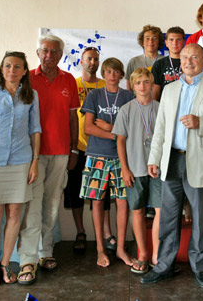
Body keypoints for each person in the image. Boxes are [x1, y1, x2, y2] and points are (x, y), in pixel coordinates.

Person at [141, 43, 203, 288]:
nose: (188, 60)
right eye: (185, 57)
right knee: (168, 218)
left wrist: (201, 123)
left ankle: (200, 268)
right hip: (171, 160)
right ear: (180, 60)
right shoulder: (170, 89)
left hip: (201, 162)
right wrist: (154, 158)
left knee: (200, 219)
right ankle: (163, 266)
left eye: (194, 56)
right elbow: (160, 128)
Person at [0, 51, 41, 287]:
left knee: (14, 216)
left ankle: (4, 263)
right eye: (8, 66)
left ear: (24, 71)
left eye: (17, 67)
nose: (12, 70)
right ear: (2, 69)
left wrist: (34, 161)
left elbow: (35, 130)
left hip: (21, 161)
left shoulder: (31, 95)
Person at [17, 35, 80, 284]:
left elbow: (73, 118)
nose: (49, 56)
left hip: (61, 151)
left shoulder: (69, 81)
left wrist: (74, 149)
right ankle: (27, 259)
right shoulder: (27, 78)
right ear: (37, 52)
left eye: (54, 52)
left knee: (52, 204)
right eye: (45, 51)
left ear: (61, 55)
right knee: (33, 203)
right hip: (32, 153)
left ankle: (46, 252)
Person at [80, 58, 135, 268]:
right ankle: (100, 248)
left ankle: (120, 248)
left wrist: (111, 128)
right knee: (97, 201)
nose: (112, 75)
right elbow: (89, 128)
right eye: (108, 71)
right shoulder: (94, 95)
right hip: (97, 155)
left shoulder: (129, 96)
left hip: (122, 158)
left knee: (123, 202)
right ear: (104, 74)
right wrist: (115, 135)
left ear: (122, 75)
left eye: (116, 71)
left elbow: (132, 129)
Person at [64, 47, 115, 255]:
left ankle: (106, 233)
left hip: (101, 147)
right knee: (75, 191)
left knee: (102, 192)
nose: (92, 62)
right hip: (77, 147)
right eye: (88, 59)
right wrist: (72, 147)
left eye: (95, 59)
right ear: (81, 61)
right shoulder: (73, 84)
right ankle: (80, 232)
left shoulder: (106, 85)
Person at [112, 68, 161, 274]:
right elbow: (120, 140)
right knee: (138, 210)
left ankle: (157, 255)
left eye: (146, 82)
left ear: (152, 84)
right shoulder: (126, 109)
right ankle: (142, 254)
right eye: (138, 82)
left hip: (158, 169)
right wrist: (125, 168)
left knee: (161, 210)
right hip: (135, 167)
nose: (143, 86)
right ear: (132, 86)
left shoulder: (161, 108)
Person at [151, 26, 185, 101]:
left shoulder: (189, 63)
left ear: (183, 42)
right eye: (171, 40)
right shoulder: (159, 64)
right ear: (166, 43)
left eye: (178, 40)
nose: (175, 43)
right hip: (165, 106)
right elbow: (155, 92)